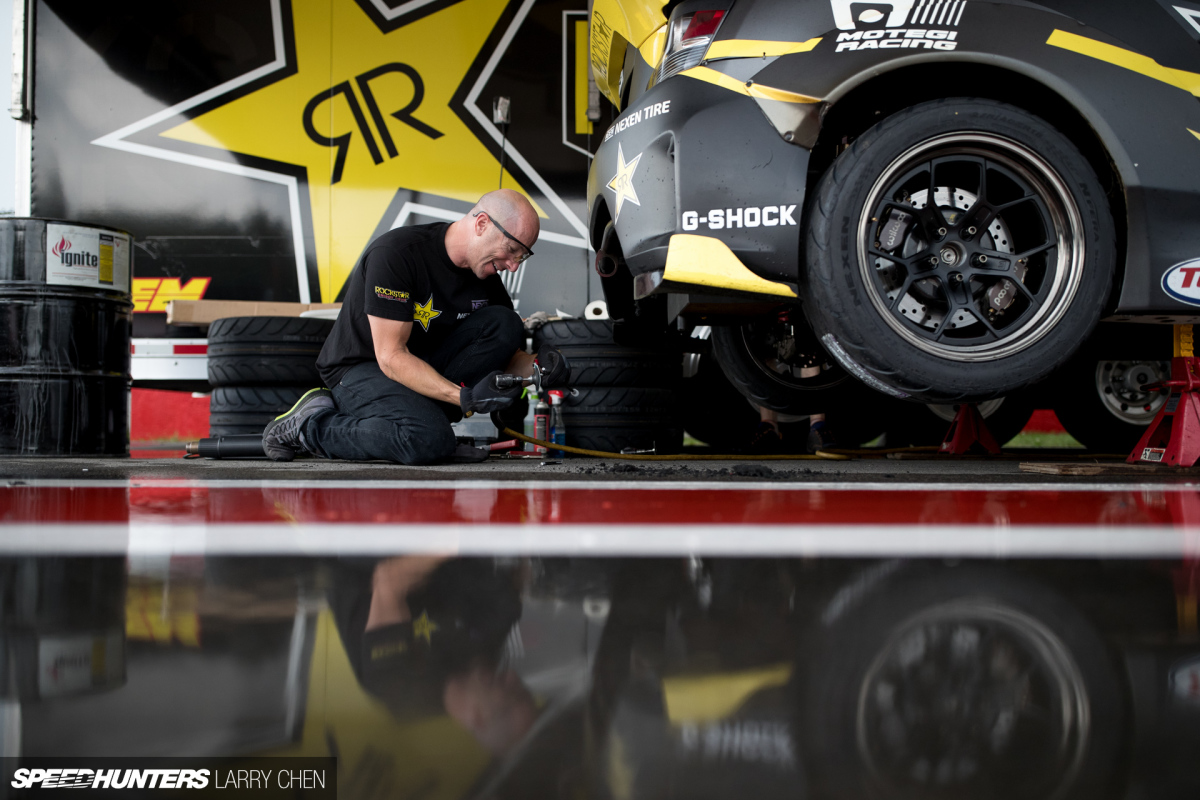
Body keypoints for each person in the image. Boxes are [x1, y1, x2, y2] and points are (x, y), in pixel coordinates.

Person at [262, 189, 566, 464]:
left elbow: (505, 355)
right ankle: (309, 425)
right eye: (511, 249)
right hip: (361, 369)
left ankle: (425, 428)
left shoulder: (486, 279)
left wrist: (538, 366)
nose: (513, 265)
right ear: (482, 224)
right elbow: (391, 357)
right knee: (426, 440)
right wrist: (463, 398)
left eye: (522, 255)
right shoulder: (396, 255)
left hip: (417, 366)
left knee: (505, 322)